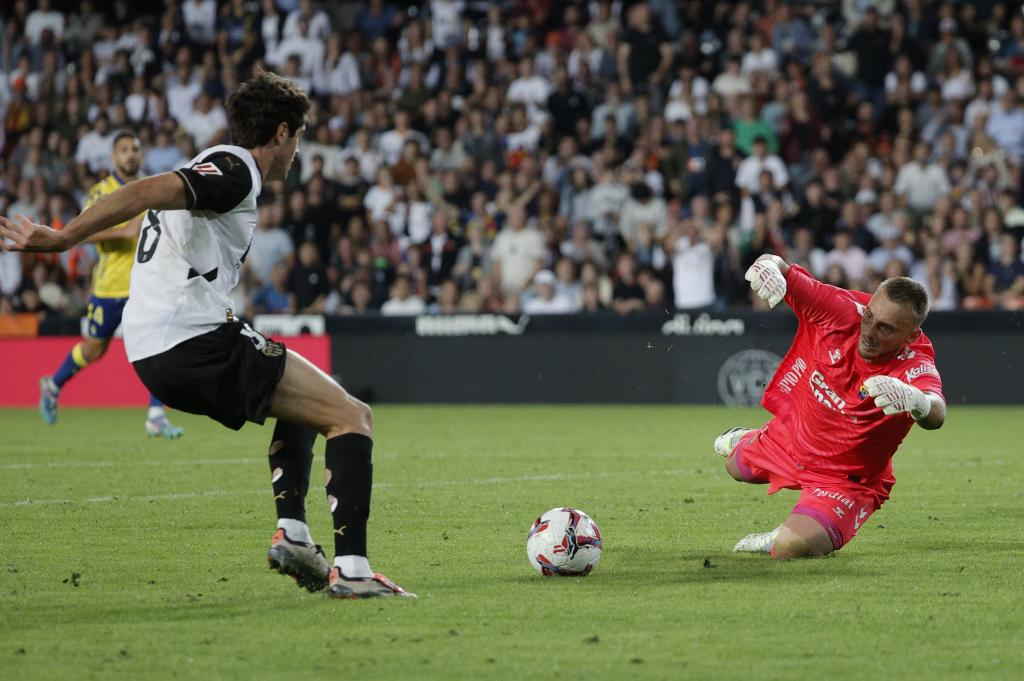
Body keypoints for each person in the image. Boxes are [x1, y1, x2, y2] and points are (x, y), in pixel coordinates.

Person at [0, 72, 412, 599]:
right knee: (353, 416)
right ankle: (353, 572)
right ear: (282, 133)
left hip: (152, 349)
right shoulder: (237, 168)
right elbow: (147, 190)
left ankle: (294, 534)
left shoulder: (220, 166)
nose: (299, 150)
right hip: (191, 338)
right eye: (300, 136)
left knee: (310, 399)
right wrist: (63, 238)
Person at [713, 254, 946, 559]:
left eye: (886, 329)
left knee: (790, 549)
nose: (870, 332)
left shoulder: (914, 365)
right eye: (870, 317)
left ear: (911, 335)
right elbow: (781, 265)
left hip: (845, 479)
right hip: (794, 439)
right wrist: (767, 265)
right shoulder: (841, 311)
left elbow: (936, 412)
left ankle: (780, 537)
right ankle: (748, 437)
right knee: (735, 468)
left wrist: (915, 401)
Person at [38, 130, 185, 439]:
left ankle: (156, 415)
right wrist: (122, 233)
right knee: (94, 350)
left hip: (147, 284)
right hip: (109, 286)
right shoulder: (101, 192)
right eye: (124, 149)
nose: (131, 154)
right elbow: (79, 233)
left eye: (135, 148)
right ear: (113, 157)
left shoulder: (152, 188)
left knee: (160, 343)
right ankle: (53, 385)